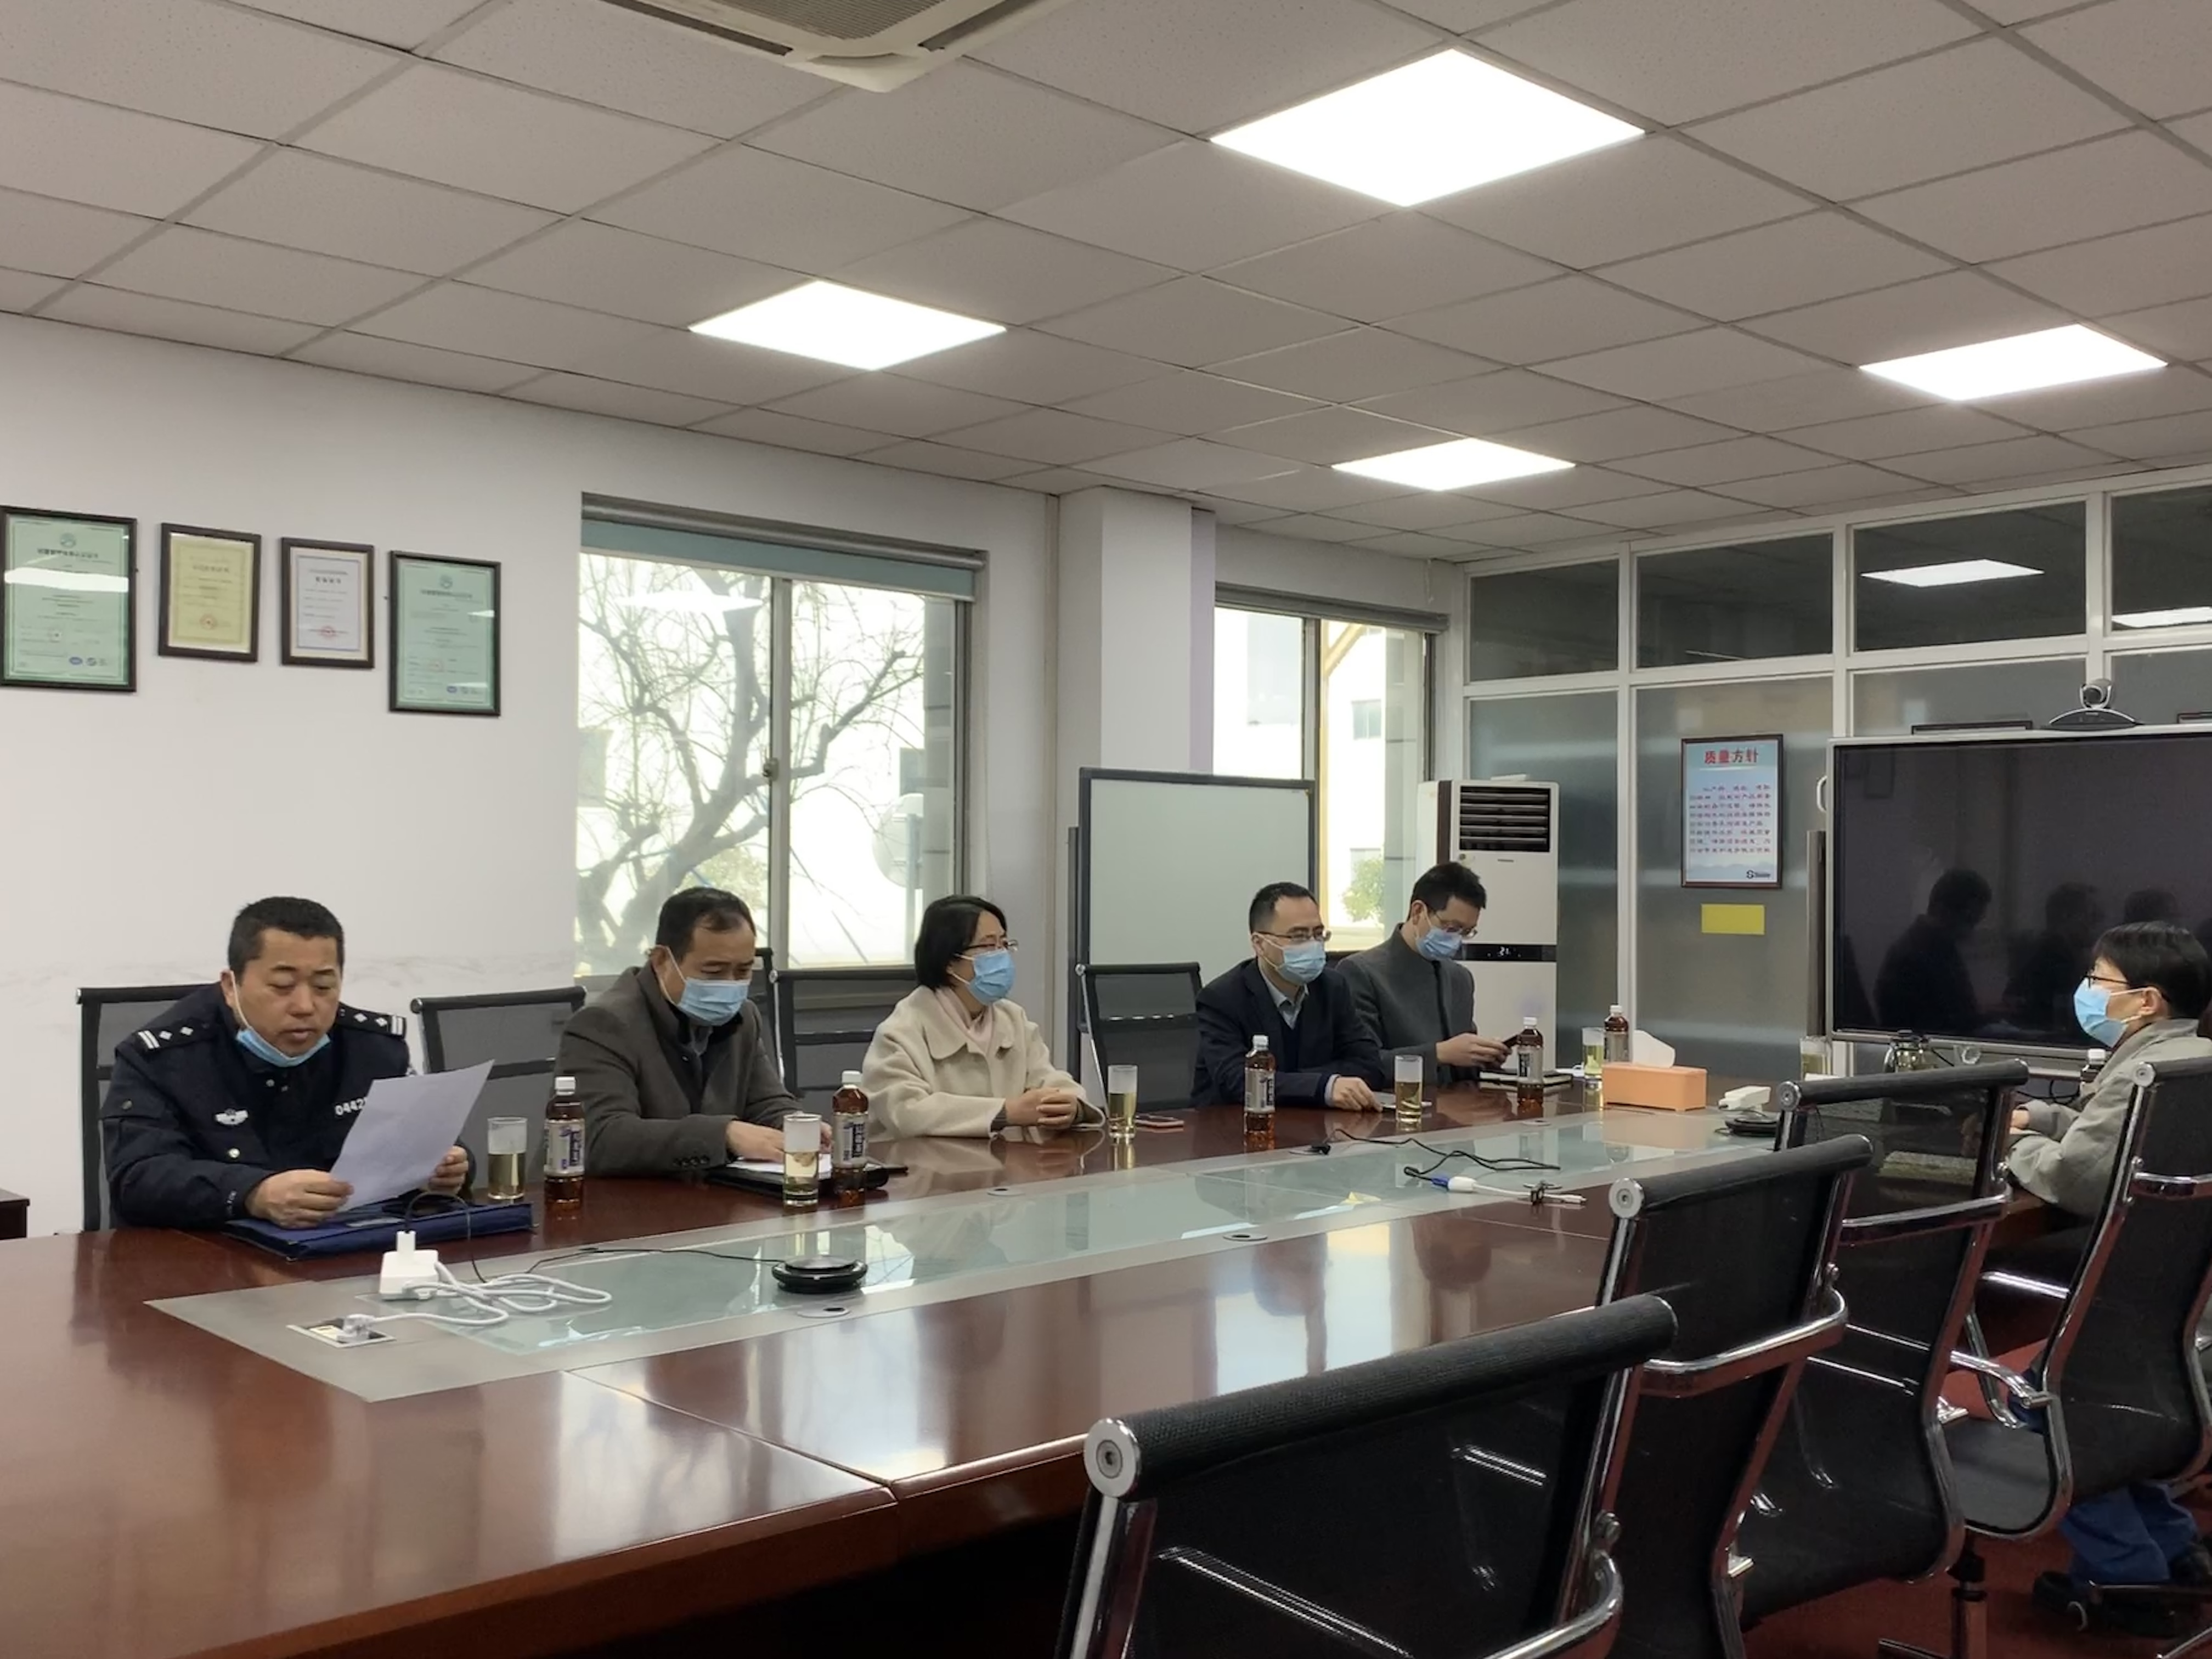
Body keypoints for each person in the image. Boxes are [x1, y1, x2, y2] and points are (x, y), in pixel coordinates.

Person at [2002, 922, 2212, 1631]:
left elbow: (2076, 1180)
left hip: (2126, 1325)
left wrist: (2015, 1145)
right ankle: (2176, 1548)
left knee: (2047, 1399)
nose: (2086, 991)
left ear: (2147, 1000)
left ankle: (2126, 1575)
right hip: (2173, 1318)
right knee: (2117, 1407)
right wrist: (2047, 1115)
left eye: (2099, 980)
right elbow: (2108, 1135)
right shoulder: (2190, 1062)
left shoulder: (2146, 1074)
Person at [103, 896, 465, 1229]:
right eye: (282, 985)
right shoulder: (162, 1057)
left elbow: (432, 1140)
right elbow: (136, 1179)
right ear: (230, 987)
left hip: (346, 1248)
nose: (305, 1006)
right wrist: (253, 1193)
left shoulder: (373, 1047)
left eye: (323, 987)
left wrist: (446, 1170)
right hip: (207, 1256)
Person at [559, 888, 809, 1175]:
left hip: (714, 1193)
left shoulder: (744, 1017)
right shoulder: (603, 1023)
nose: (730, 985)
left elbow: (765, 1103)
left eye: (743, 971)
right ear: (661, 961)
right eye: (713, 971)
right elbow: (598, 1137)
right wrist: (724, 1134)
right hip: (619, 1196)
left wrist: (797, 1126)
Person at [862, 895, 1086, 1138]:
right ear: (949, 961)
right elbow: (907, 1111)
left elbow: (1047, 1078)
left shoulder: (1013, 1018)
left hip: (1009, 1160)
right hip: (924, 1162)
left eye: (1004, 944)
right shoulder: (902, 1030)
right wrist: (1006, 1112)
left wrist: (1072, 1105)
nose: (1002, 955)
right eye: (989, 946)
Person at [1192, 882, 1387, 1109]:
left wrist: (1290, 1081)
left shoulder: (1333, 987)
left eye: (1318, 934)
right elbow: (1237, 1081)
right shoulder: (1221, 998)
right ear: (1260, 944)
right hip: (1236, 1124)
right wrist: (1323, 1086)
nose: (1313, 945)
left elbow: (1370, 1064)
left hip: (1316, 1121)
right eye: (1298, 936)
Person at [1340, 862, 1508, 1087]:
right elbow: (1361, 1065)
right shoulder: (1361, 972)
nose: (1457, 940)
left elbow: (1462, 1069)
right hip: (1396, 1104)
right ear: (1418, 912)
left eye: (1466, 932)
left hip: (1460, 1103)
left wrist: (1483, 1056)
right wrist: (1438, 1054)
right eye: (1451, 928)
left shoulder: (1460, 978)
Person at [1874, 868, 1991, 1037]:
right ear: (1943, 910)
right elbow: (1949, 1025)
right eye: (1969, 920)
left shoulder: (1933, 946)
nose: (1971, 931)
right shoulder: (1916, 957)